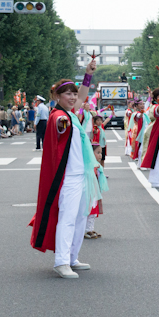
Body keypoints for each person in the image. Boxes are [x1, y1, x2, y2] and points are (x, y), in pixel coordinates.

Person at [30, 58, 107, 279]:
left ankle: (72, 258)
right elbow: (59, 128)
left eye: (74, 94)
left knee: (81, 217)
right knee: (68, 218)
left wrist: (88, 75)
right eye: (68, 94)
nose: (74, 97)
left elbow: (82, 98)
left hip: (82, 175)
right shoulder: (59, 117)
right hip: (68, 178)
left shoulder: (71, 113)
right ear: (57, 97)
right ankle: (61, 261)